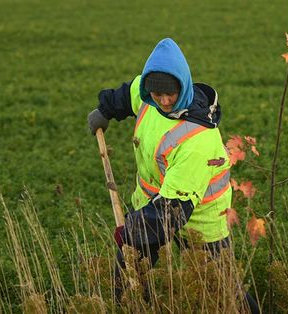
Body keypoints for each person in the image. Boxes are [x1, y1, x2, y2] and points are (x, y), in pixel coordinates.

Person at [87, 38, 259, 313]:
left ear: (184, 84)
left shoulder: (197, 137)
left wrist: (130, 230)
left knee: (223, 290)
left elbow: (172, 211)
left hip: (201, 220)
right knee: (129, 276)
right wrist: (105, 110)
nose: (165, 101)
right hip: (151, 205)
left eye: (171, 93)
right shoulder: (147, 95)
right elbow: (126, 95)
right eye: (157, 94)